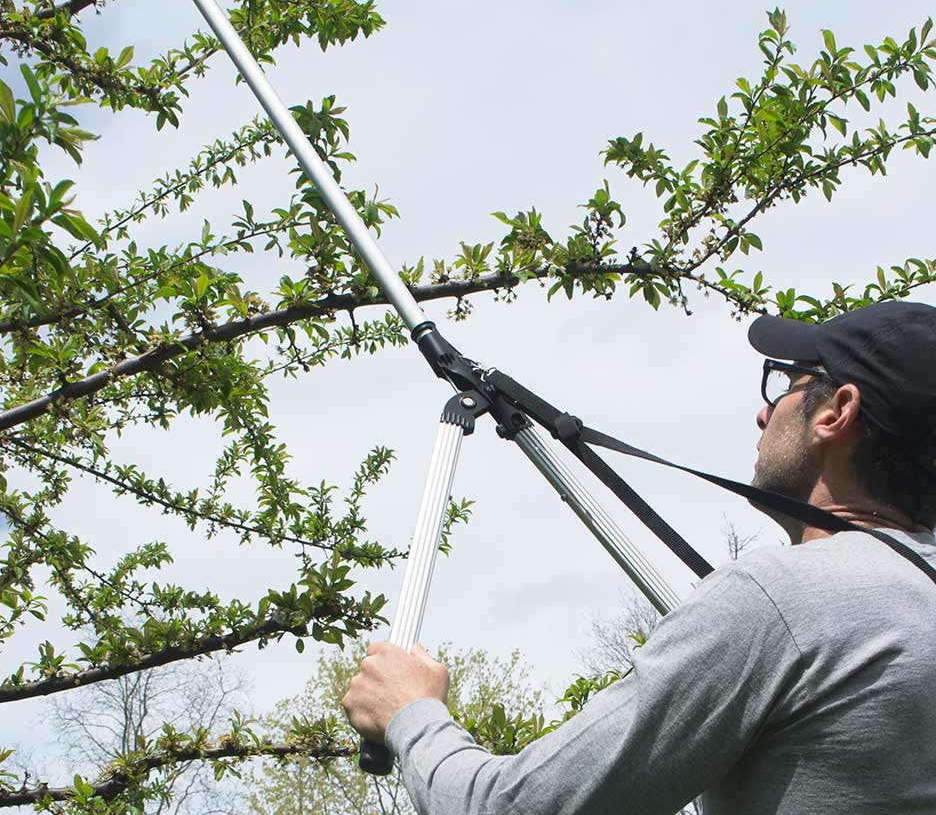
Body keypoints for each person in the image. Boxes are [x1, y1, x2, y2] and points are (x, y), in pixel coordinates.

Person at [342, 300, 936, 814]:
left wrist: (410, 713)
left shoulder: (785, 599)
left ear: (836, 412)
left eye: (788, 384)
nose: (765, 410)